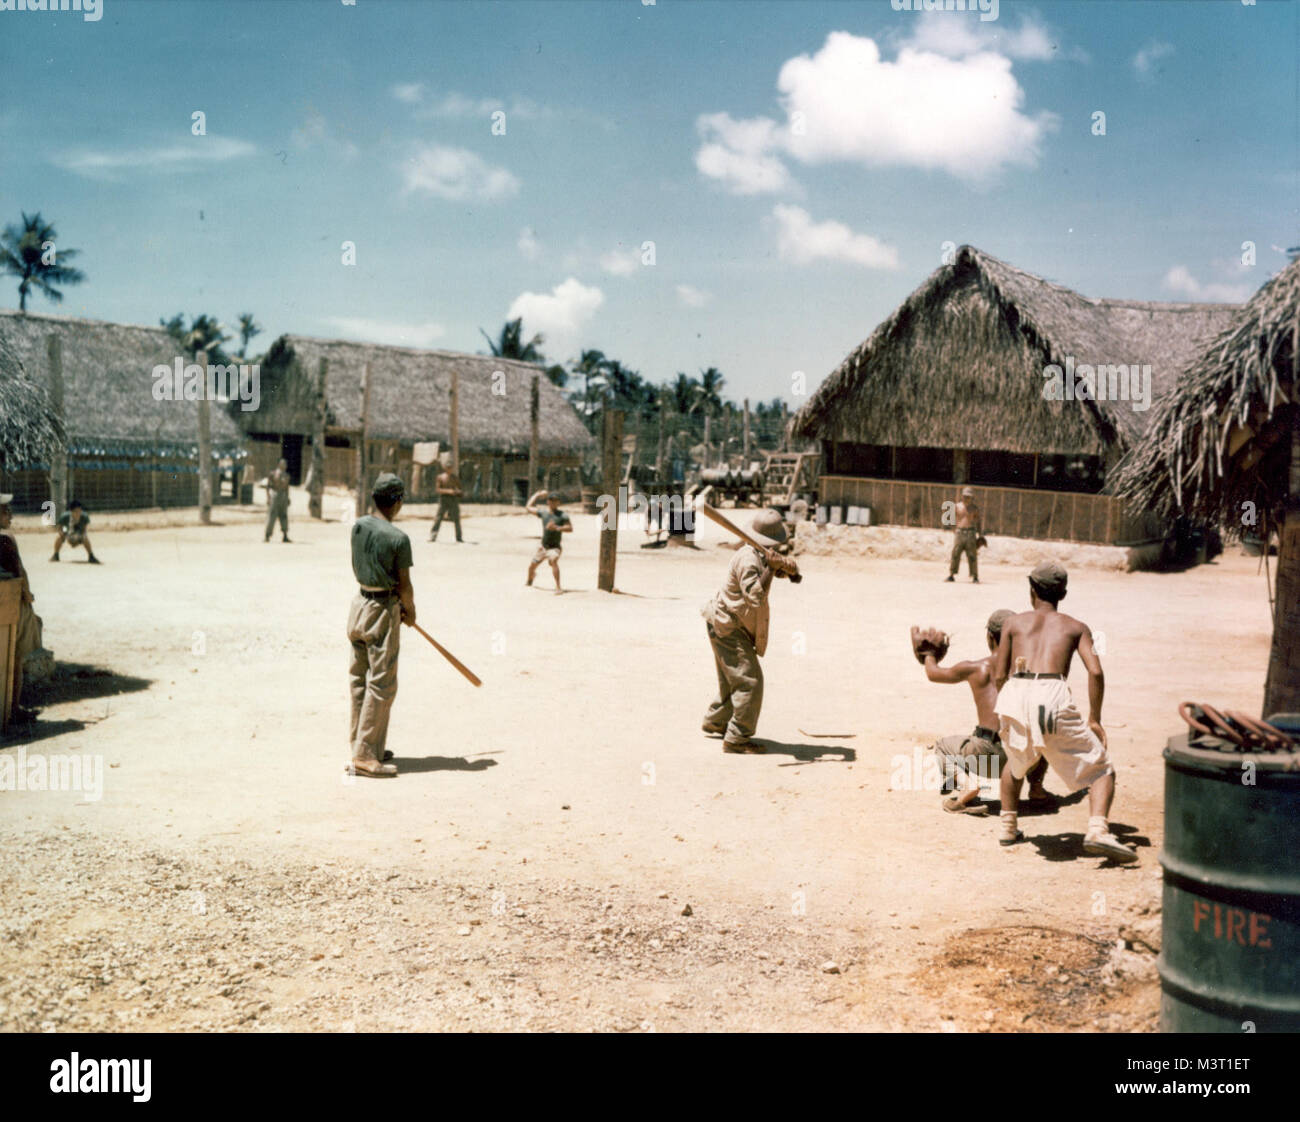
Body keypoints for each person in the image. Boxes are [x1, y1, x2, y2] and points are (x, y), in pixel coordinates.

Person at [993, 561, 1136, 862]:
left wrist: (1011, 703)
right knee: (1101, 768)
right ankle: (1097, 829)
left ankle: (1008, 827)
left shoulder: (1013, 623)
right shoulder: (1076, 626)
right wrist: (1094, 718)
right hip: (1051, 692)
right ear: (1064, 594)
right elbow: (1095, 672)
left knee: (1016, 760)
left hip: (1016, 690)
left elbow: (998, 673)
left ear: (1031, 591)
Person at [915, 610, 1049, 815]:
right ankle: (1037, 789)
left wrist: (929, 655)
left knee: (942, 747)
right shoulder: (1030, 670)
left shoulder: (976, 668)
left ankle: (967, 786)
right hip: (1024, 760)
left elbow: (934, 674)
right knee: (1042, 732)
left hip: (986, 758)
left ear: (989, 637)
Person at [701, 509, 795, 754]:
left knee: (733, 678)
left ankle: (717, 721)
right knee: (749, 681)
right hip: (728, 626)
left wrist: (787, 570)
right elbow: (755, 596)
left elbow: (774, 570)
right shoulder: (747, 559)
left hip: (729, 623)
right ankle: (736, 739)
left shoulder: (759, 554)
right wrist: (773, 570)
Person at [346, 473, 415, 778]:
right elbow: (405, 585)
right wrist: (409, 611)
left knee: (360, 679)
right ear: (397, 502)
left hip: (359, 606)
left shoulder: (358, 525)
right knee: (382, 683)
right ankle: (365, 755)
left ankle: (363, 744)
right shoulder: (399, 538)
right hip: (383, 610)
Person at [0, 494, 44, 722]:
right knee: (15, 659)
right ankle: (12, 709)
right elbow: (19, 573)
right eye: (6, 510)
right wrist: (27, 595)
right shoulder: (6, 539)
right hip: (11, 605)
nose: (11, 515)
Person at [525, 489, 571, 591]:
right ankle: (530, 580)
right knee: (532, 567)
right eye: (550, 500)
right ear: (547, 502)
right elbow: (528, 507)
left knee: (553, 560)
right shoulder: (543, 512)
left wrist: (557, 528)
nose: (552, 502)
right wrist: (537, 494)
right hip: (543, 547)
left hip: (554, 547)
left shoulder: (562, 515)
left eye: (555, 501)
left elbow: (570, 528)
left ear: (558, 502)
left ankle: (558, 586)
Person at [946, 486, 982, 583]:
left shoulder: (974, 508)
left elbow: (978, 522)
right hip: (960, 532)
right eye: (965, 496)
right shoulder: (957, 506)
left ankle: (975, 576)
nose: (966, 498)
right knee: (955, 554)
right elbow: (951, 519)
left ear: (972, 497)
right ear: (962, 496)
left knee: (972, 555)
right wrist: (954, 530)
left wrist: (980, 534)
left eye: (968, 496)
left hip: (971, 533)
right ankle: (951, 574)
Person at [50, 499, 99, 564]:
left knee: (85, 537)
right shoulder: (65, 517)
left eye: (80, 511)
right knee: (59, 537)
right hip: (67, 533)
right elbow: (59, 528)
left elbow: (84, 530)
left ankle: (91, 556)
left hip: (79, 534)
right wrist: (63, 534)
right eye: (76, 511)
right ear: (71, 511)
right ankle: (56, 555)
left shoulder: (84, 517)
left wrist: (77, 540)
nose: (78, 513)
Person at [429, 460, 463, 543]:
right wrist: (448, 491)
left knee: (456, 519)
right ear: (445, 468)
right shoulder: (440, 477)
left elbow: (460, 489)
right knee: (438, 518)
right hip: (443, 499)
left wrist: (457, 491)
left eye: (450, 467)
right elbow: (438, 489)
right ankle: (433, 536)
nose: (449, 469)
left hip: (453, 500)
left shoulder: (455, 478)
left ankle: (459, 537)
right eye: (448, 467)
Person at [263, 459, 291, 543]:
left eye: (285, 463)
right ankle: (267, 535)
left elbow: (287, 488)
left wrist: (288, 498)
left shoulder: (286, 475)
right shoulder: (273, 474)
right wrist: (268, 497)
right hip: (275, 495)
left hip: (283, 496)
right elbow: (268, 486)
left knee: (284, 515)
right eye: (283, 463)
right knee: (272, 515)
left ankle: (285, 535)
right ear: (279, 464)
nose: (284, 465)